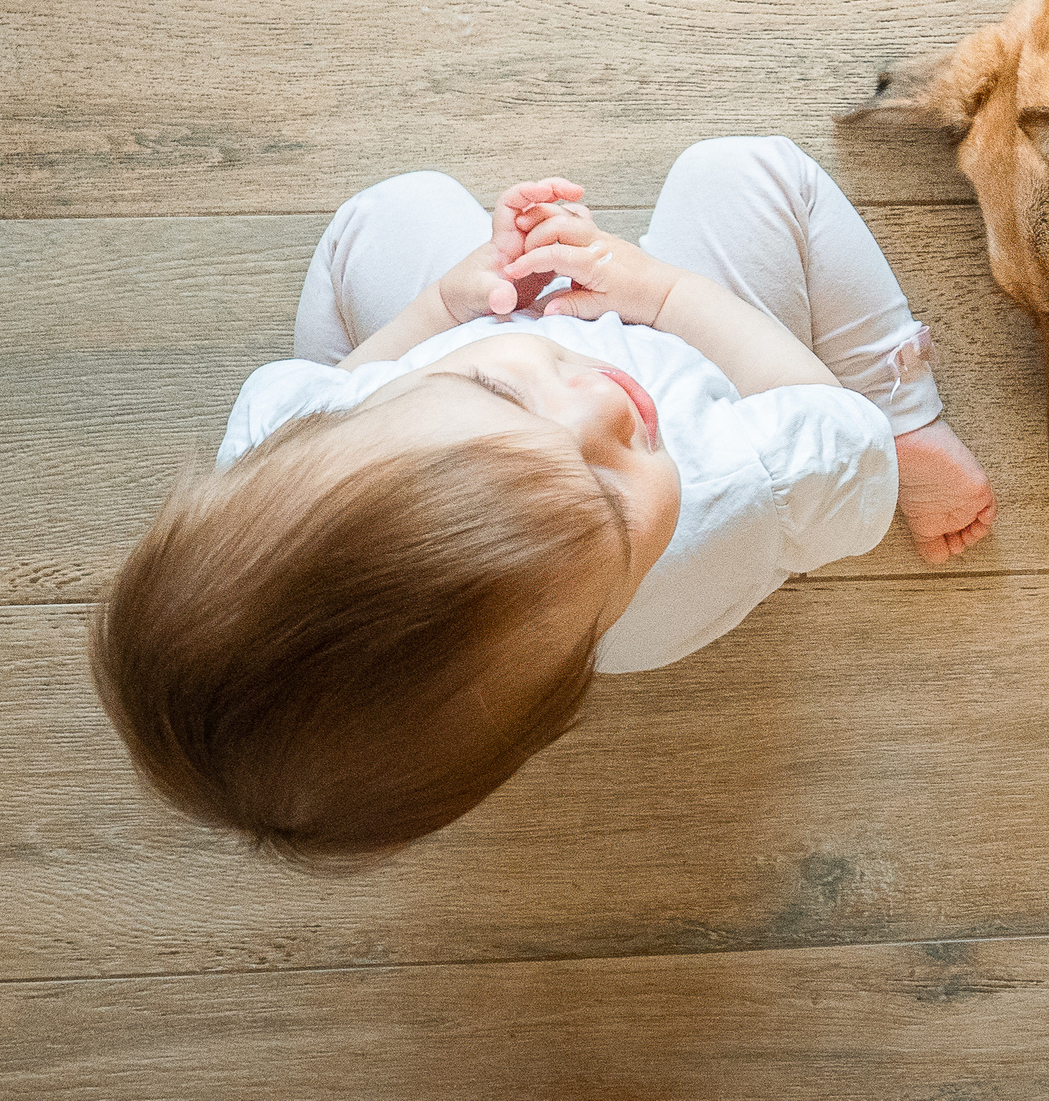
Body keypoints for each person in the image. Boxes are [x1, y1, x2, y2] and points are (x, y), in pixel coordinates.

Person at [91, 137, 993, 864]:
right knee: (747, 172)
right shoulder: (740, 486)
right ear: (562, 694)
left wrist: (442, 311)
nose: (604, 401)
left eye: (502, 394)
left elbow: (346, 378)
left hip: (460, 338)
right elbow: (823, 414)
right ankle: (913, 421)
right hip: (709, 363)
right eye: (611, 501)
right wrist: (667, 294)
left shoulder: (289, 432)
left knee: (384, 215)